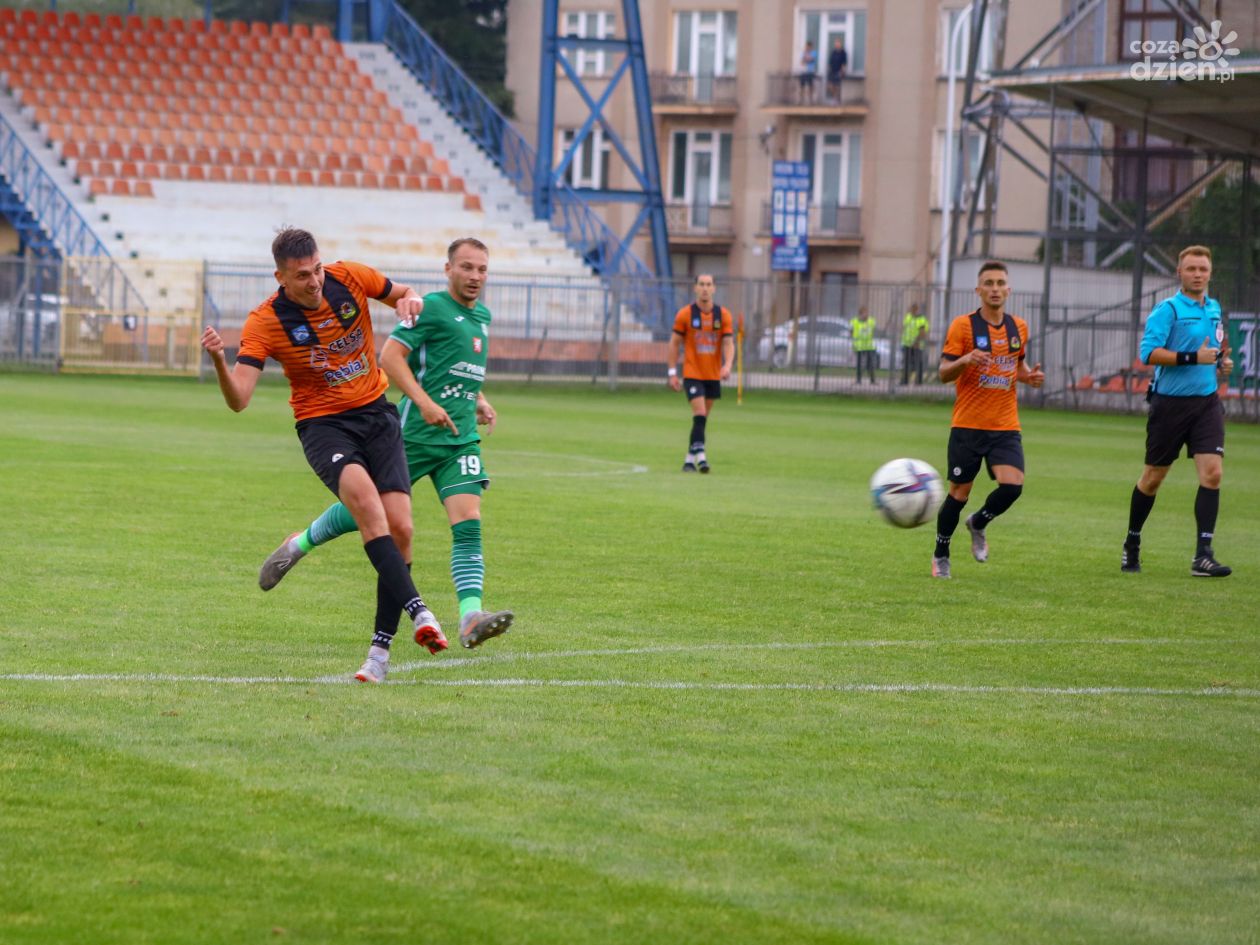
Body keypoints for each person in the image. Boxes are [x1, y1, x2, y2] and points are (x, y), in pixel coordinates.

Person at [200, 227, 444, 683]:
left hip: (377, 415)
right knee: (368, 508)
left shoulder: (350, 277)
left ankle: (378, 655)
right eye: (302, 276)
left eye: (316, 270)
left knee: (403, 529)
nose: (313, 281)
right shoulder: (265, 321)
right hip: (324, 427)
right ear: (280, 277)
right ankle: (420, 613)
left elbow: (405, 293)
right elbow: (239, 400)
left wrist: (411, 301)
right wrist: (218, 359)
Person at [258, 238, 516, 650]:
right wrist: (425, 403)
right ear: (448, 269)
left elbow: (458, 367)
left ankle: (471, 616)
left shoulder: (482, 316)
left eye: (482, 269)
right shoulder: (429, 308)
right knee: (368, 512)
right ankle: (300, 542)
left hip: (459, 438)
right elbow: (392, 358)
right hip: (414, 435)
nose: (475, 276)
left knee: (468, 522)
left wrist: (478, 399)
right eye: (466, 267)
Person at [1121, 245, 1233, 577]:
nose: (1197, 274)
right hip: (1169, 405)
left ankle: (1203, 556)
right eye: (1191, 269)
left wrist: (1221, 363)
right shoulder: (1167, 309)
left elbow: (1214, 350)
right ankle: (1132, 541)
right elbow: (1148, 354)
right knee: (1152, 479)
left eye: (1203, 269)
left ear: (1210, 273)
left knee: (1213, 474)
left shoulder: (1214, 308)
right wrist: (1192, 358)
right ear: (1179, 273)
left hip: (1207, 404)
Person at [931, 260, 1044, 579]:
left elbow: (1016, 367)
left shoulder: (1018, 327)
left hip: (1005, 425)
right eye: (989, 283)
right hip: (967, 426)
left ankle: (979, 522)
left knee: (1013, 487)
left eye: (1000, 283)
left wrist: (1029, 377)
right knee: (959, 494)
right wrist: (966, 360)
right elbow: (943, 373)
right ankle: (941, 554)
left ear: (1009, 290)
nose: (995, 289)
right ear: (978, 290)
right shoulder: (963, 326)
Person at [667, 273, 735, 473]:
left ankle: (688, 461)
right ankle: (702, 459)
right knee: (700, 413)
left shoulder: (723, 315)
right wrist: (672, 372)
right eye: (701, 284)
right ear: (695, 288)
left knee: (701, 420)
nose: (705, 288)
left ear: (714, 288)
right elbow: (674, 343)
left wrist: (727, 365)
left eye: (708, 284)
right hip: (692, 373)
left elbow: (728, 343)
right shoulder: (685, 314)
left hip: (712, 376)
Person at [901, 302, 930, 385]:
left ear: (917, 310)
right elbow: (904, 328)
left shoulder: (921, 319)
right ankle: (905, 381)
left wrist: (916, 342)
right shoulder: (908, 317)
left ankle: (918, 381)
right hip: (907, 344)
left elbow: (922, 332)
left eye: (914, 309)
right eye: (911, 309)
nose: (912, 311)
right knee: (906, 363)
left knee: (918, 363)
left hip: (917, 344)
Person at [851, 305, 877, 384]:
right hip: (859, 345)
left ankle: (872, 380)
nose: (866, 315)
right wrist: (854, 341)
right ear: (860, 314)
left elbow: (873, 330)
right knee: (859, 364)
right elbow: (851, 331)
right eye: (864, 313)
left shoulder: (871, 321)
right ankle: (858, 380)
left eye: (867, 313)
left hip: (869, 345)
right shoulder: (854, 321)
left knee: (870, 363)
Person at [826, 38, 848, 103]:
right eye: (836, 43)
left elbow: (844, 63)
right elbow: (830, 62)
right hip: (832, 71)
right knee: (830, 86)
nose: (837, 44)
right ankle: (834, 97)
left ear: (840, 44)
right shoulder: (833, 52)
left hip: (839, 71)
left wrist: (842, 71)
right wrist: (829, 69)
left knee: (837, 86)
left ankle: (837, 99)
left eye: (838, 43)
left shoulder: (843, 52)